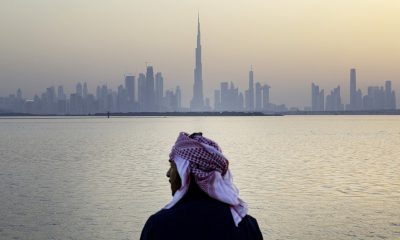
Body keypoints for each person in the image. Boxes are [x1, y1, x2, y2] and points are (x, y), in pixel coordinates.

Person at [140, 132, 263, 240]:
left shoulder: (159, 225)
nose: (167, 174)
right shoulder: (247, 225)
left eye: (172, 166)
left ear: (186, 172)